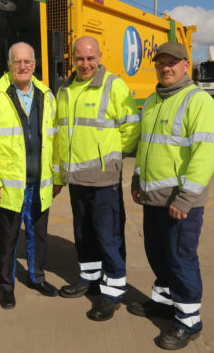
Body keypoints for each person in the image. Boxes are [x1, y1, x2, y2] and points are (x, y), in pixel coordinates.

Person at [127, 41, 214, 350]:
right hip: (153, 198)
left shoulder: (199, 101)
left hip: (180, 202)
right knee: (158, 254)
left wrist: (185, 198)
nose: (165, 68)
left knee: (181, 258)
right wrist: (138, 177)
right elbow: (145, 147)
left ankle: (189, 320)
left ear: (185, 65)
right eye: (160, 63)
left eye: (172, 63)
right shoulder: (153, 100)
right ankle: (165, 303)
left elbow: (205, 155)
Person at [54, 36, 141, 321]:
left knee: (109, 237)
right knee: (84, 234)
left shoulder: (113, 85)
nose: (85, 64)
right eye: (80, 58)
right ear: (73, 59)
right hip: (77, 181)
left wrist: (113, 157)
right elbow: (60, 135)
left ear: (100, 57)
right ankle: (89, 279)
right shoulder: (65, 89)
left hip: (104, 180)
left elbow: (131, 128)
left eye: (91, 58)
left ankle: (113, 292)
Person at [0, 42, 58, 310]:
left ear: (35, 65)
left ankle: (37, 277)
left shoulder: (47, 95)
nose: (23, 67)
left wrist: (56, 177)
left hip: (39, 182)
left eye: (28, 62)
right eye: (17, 62)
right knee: (8, 238)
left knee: (38, 235)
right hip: (10, 185)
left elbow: (55, 139)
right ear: (8, 65)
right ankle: (6, 286)